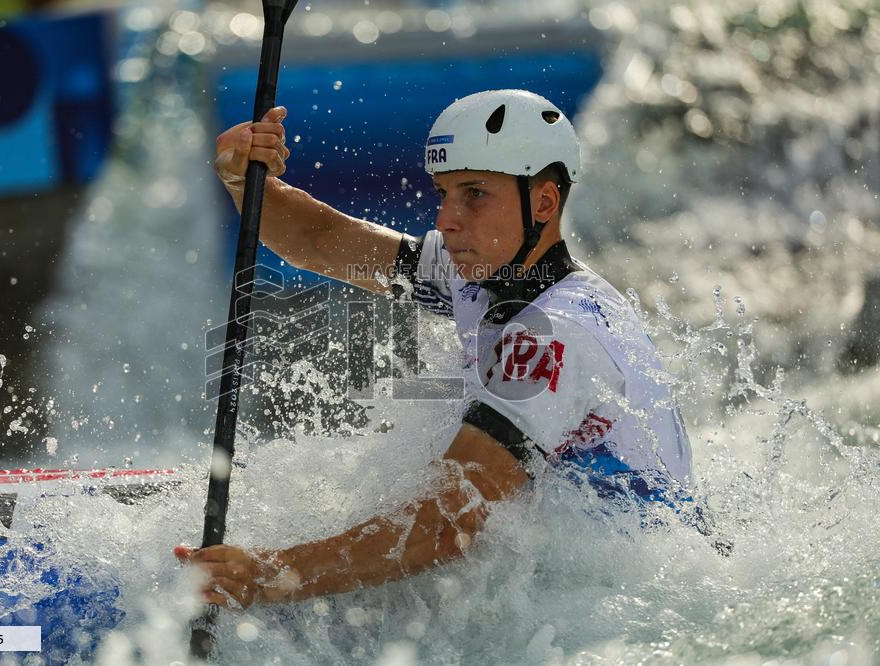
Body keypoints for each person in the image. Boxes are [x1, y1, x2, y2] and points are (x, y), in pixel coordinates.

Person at [174, 89, 695, 609]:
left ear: (542, 202)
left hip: (631, 603)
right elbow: (321, 241)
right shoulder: (481, 273)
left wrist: (270, 575)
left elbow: (449, 522)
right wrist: (246, 180)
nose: (446, 219)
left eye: (475, 194)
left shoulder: (557, 331)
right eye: (444, 193)